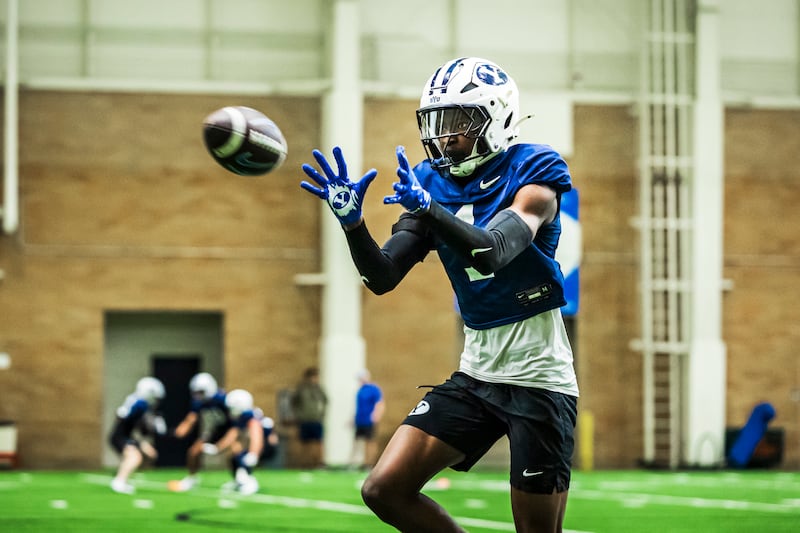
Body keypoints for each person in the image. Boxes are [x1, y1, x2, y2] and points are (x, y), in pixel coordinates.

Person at [300, 57, 579, 533]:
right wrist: (353, 225)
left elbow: (493, 252)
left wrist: (431, 210)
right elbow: (382, 276)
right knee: (383, 489)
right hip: (476, 374)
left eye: (459, 121)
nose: (445, 136)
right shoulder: (430, 181)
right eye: (439, 122)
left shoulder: (535, 169)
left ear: (497, 118)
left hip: (539, 379)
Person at [202, 388, 279, 495]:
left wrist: (254, 453)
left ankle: (250, 483)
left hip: (266, 446)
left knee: (243, 459)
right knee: (235, 459)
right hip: (260, 445)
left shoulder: (249, 415)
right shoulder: (242, 417)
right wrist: (217, 448)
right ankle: (239, 482)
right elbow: (233, 435)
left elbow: (256, 435)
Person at [168, 372, 231, 492]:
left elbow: (233, 419)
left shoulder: (222, 399)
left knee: (234, 451)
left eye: (201, 392)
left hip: (230, 429)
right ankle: (192, 477)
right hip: (213, 430)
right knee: (193, 452)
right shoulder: (198, 402)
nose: (198, 395)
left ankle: (241, 479)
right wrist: (182, 428)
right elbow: (191, 418)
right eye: (196, 392)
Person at [108, 376, 167, 494]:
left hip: (128, 436)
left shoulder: (139, 403)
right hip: (120, 436)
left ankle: (125, 474)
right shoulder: (138, 403)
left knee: (151, 454)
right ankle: (119, 481)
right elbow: (124, 417)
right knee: (135, 457)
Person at [290, 367, 328, 469]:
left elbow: (325, 400)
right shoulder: (301, 389)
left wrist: (321, 414)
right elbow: (294, 403)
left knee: (318, 442)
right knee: (305, 443)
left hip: (316, 419)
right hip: (305, 420)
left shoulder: (318, 389)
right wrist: (298, 415)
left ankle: (319, 463)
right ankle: (305, 463)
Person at [349, 369, 385, 470]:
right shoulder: (360, 390)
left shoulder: (373, 389)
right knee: (357, 441)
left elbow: (379, 403)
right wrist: (353, 419)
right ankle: (356, 463)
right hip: (360, 420)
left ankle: (370, 463)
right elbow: (358, 407)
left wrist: (376, 415)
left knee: (370, 441)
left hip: (369, 420)